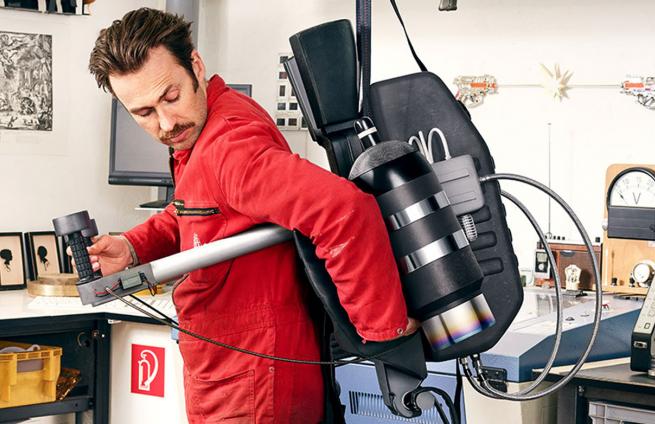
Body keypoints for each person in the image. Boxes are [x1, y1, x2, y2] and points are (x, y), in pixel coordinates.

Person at [85, 7, 415, 423]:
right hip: (233, 370)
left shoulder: (228, 148)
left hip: (252, 386)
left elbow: (342, 209)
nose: (166, 123)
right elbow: (197, 210)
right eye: (144, 113)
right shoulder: (204, 127)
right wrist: (133, 246)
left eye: (171, 97)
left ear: (197, 66)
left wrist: (384, 332)